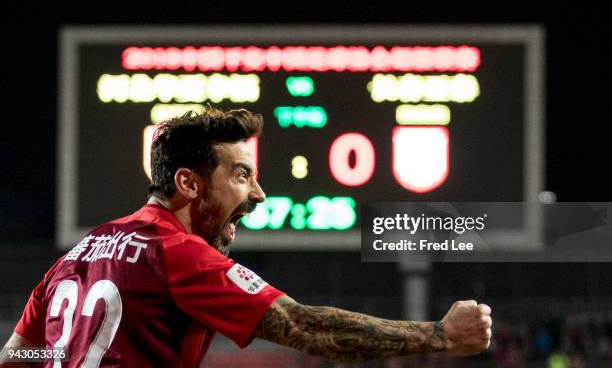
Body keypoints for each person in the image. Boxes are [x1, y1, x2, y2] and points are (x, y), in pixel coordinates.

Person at [0, 108, 492, 367]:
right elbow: (305, 327)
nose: (257, 193)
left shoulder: (75, 256)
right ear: (188, 184)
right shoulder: (176, 254)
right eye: (240, 176)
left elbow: (16, 357)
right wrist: (440, 336)